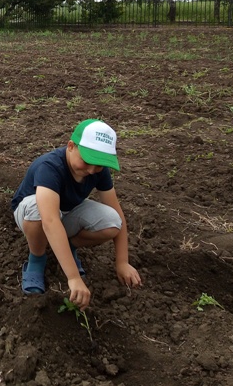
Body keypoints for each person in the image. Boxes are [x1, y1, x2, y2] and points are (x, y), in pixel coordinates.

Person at [11, 119, 142, 310]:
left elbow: (118, 215)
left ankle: (67, 247)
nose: (91, 170)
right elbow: (49, 220)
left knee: (112, 222)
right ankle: (37, 259)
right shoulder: (49, 167)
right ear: (71, 146)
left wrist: (122, 262)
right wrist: (73, 278)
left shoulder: (98, 170)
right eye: (87, 162)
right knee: (38, 209)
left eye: (98, 165)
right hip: (32, 216)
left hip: (66, 212)